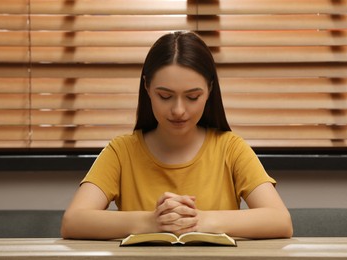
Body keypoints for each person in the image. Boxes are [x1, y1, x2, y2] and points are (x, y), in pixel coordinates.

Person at [61, 31, 293, 240]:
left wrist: (199, 220)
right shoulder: (121, 152)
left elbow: (281, 220)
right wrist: (153, 221)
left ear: (209, 90)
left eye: (192, 97)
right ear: (147, 88)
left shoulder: (230, 148)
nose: (178, 110)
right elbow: (73, 221)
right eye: (165, 96)